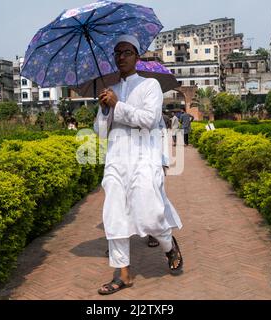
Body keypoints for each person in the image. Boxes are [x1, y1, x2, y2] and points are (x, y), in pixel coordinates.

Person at [94, 34, 183, 295]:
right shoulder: (109, 90)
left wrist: (118, 106)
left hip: (144, 157)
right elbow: (99, 133)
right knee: (115, 215)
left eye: (126, 52)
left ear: (137, 57)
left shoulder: (149, 86)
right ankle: (123, 274)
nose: (121, 57)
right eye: (117, 53)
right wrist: (105, 110)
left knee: (150, 212)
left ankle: (169, 245)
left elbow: (149, 119)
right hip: (116, 159)